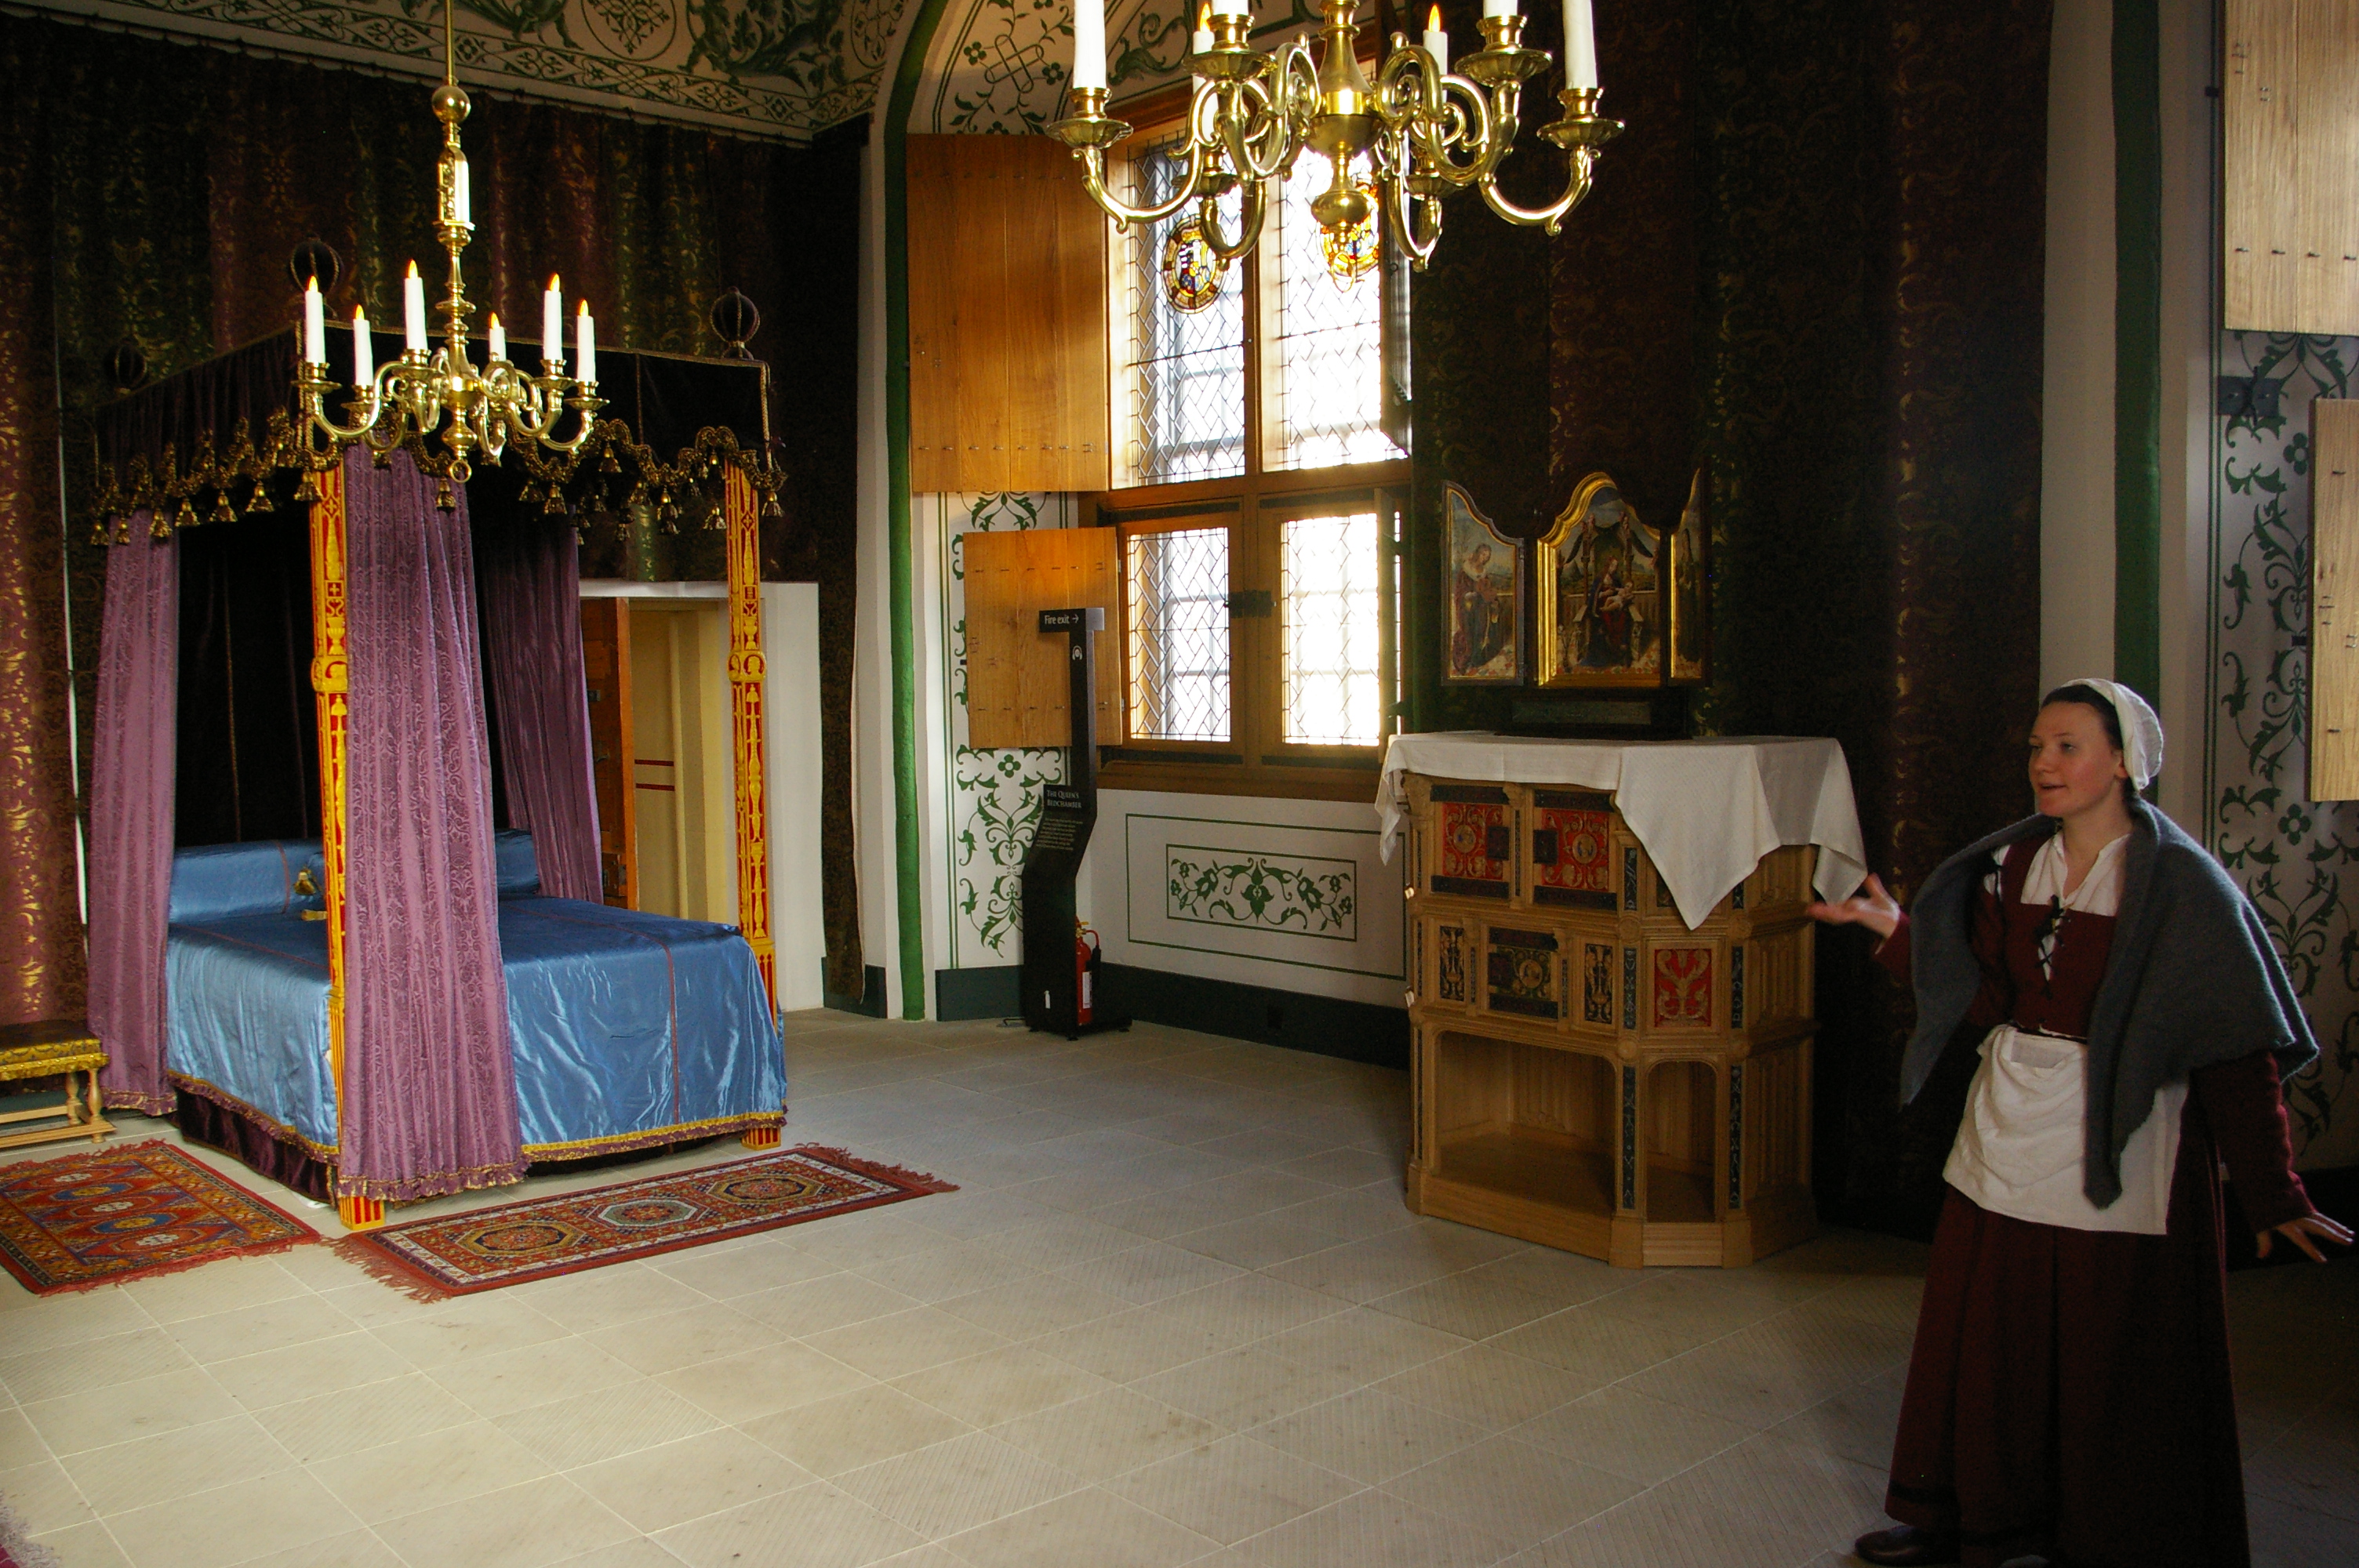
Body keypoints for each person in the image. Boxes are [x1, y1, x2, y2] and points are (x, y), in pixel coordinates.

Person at [1808, 680, 2350, 1568]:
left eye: (2067, 745)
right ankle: (1966, 1514)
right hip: (2014, 1119)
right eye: (2036, 746)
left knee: (2108, 1348)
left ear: (2123, 762)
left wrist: (2272, 1188)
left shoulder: (2180, 886)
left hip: (2124, 1135)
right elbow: (1992, 996)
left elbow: (2232, 1046)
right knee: (1988, 1336)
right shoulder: (2013, 865)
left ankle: (2112, 1535)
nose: (2043, 763)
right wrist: (1897, 931)